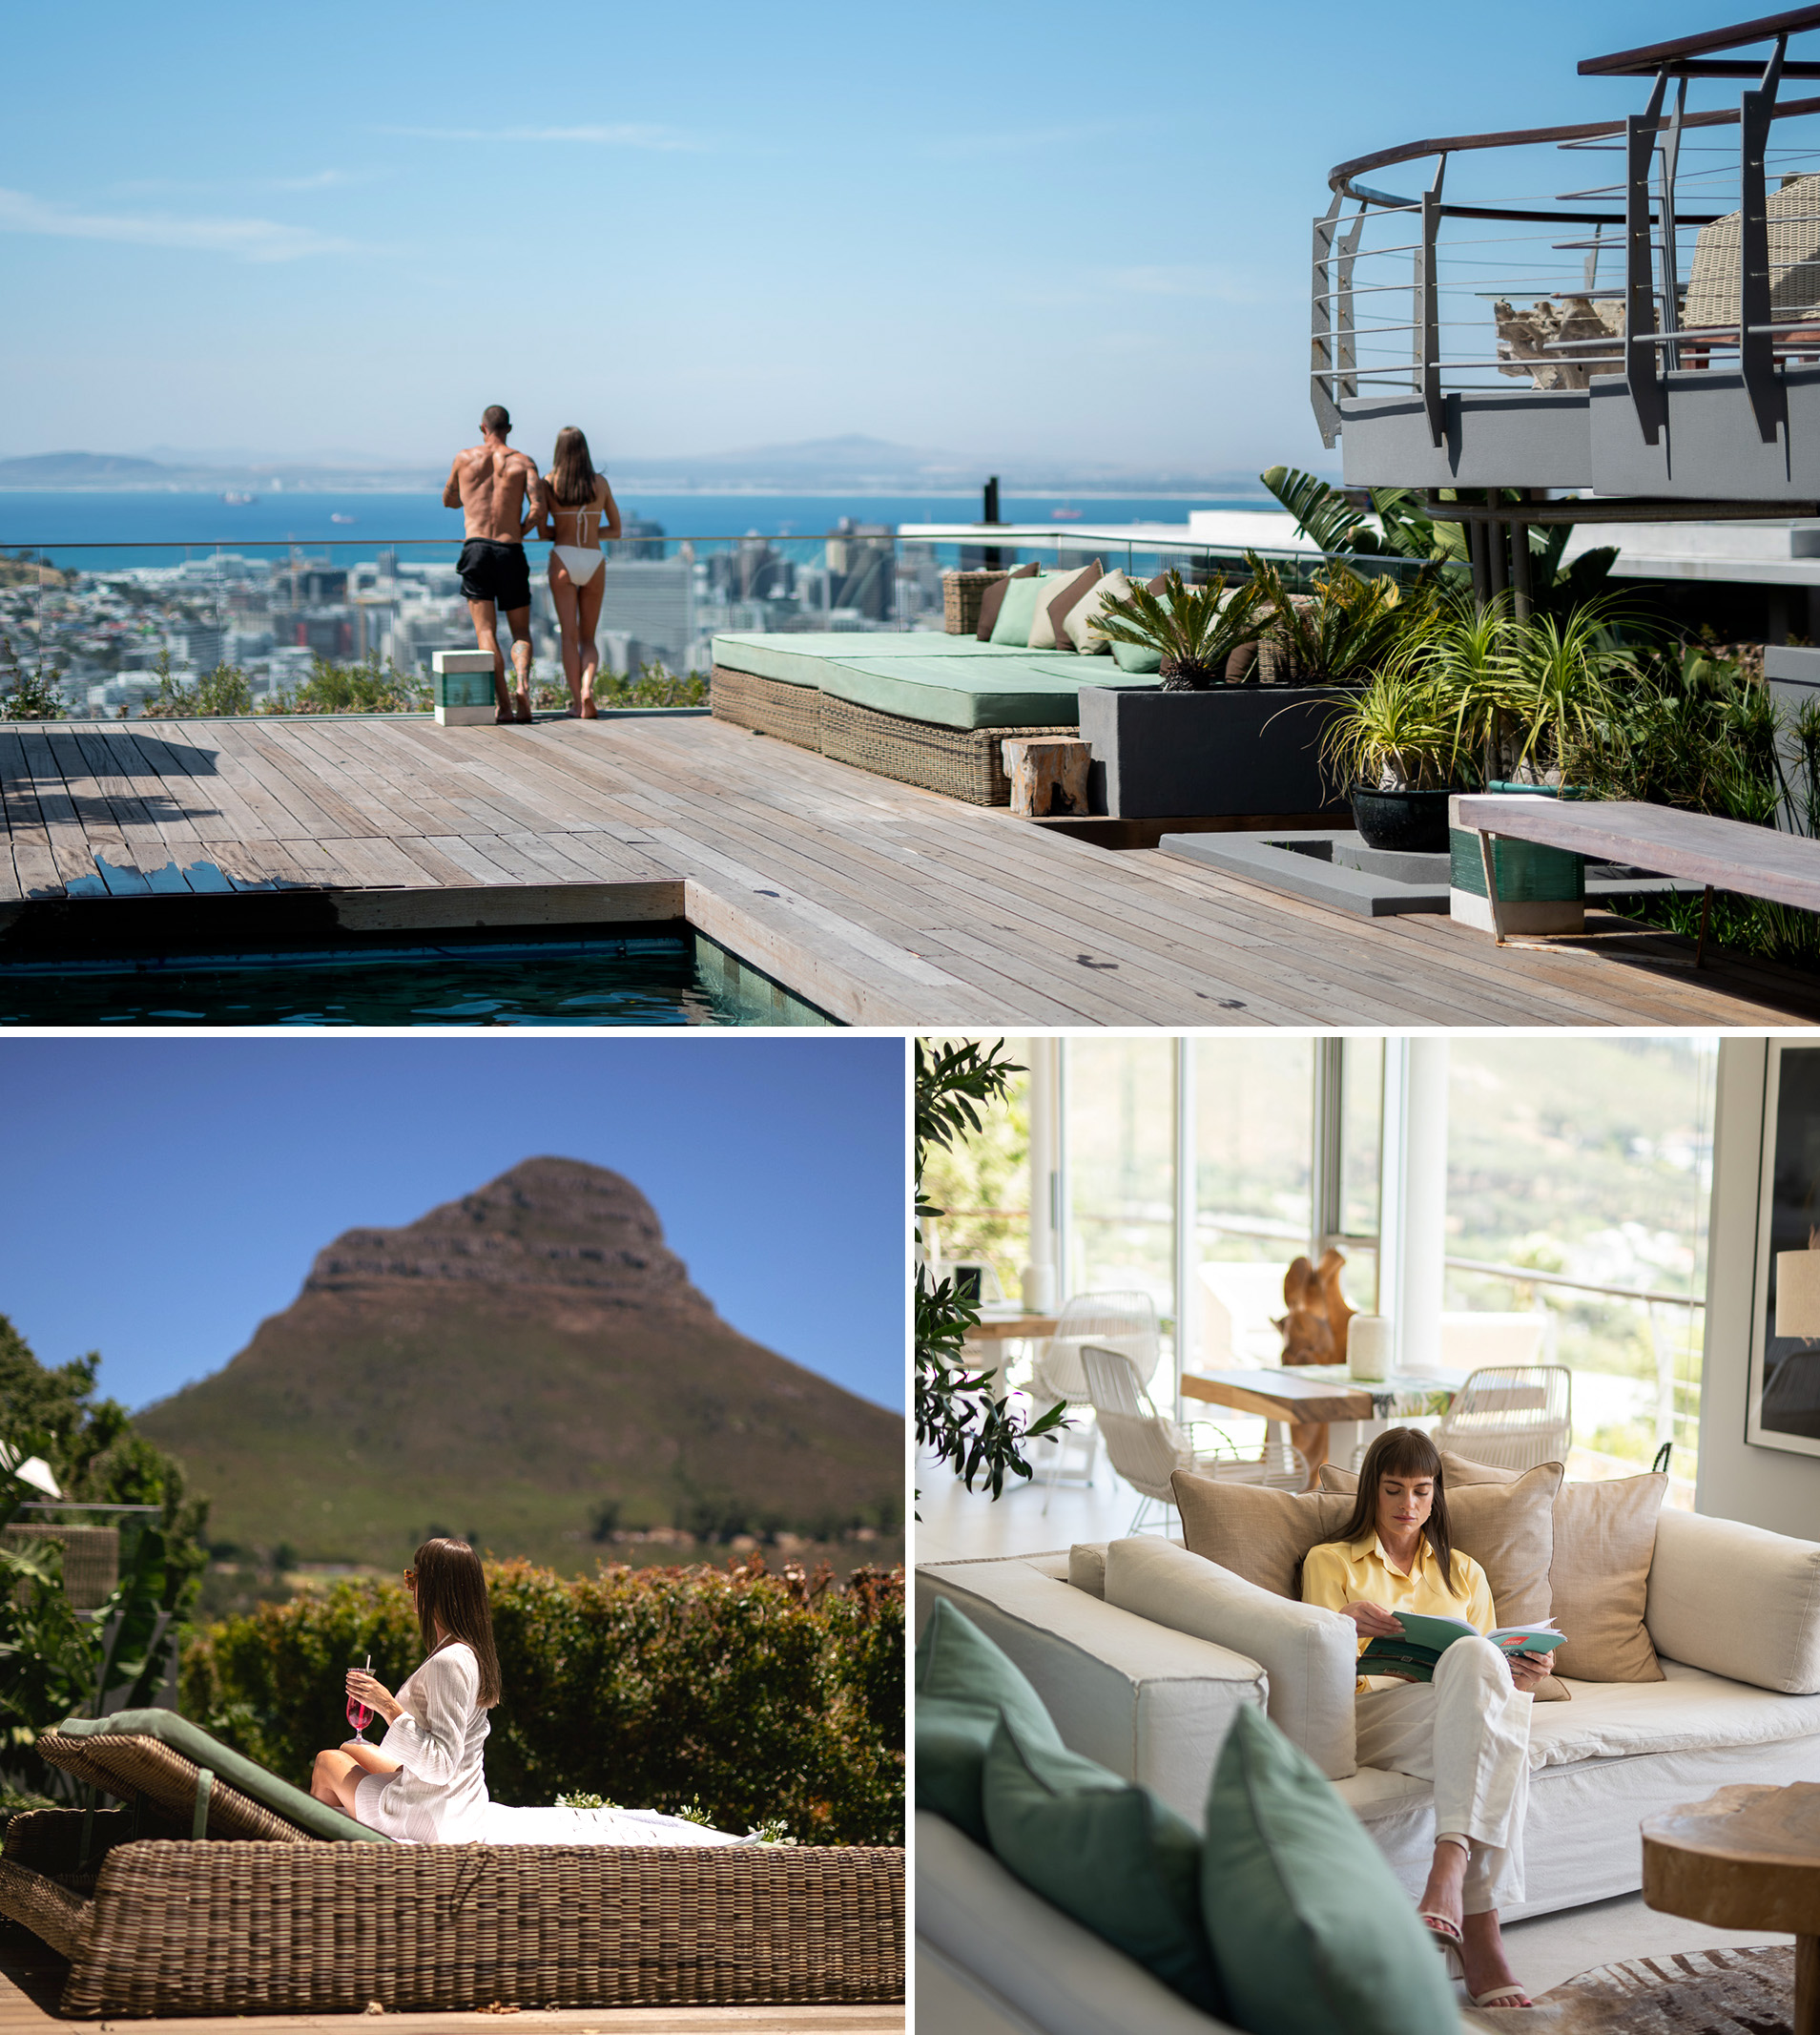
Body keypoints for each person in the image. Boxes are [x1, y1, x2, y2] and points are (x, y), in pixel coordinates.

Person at [1299, 1429, 1545, 2012]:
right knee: (1493, 1711)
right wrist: (1341, 1625)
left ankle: (1449, 1877)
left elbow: (1492, 1674)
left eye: (1420, 1490)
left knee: (1481, 1666)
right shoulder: (1329, 1561)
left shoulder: (1465, 1574)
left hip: (1449, 1715)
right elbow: (1304, 1661)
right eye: (1393, 1490)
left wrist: (1523, 1675)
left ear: (1436, 1495)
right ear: (1372, 1492)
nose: (1407, 1505)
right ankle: (1480, 1930)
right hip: (1368, 1715)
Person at [310, 1536, 740, 1846]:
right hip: (460, 1805)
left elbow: (440, 1765)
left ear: (433, 1587)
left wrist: (386, 1705)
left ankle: (328, 1862)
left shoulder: (448, 1662)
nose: (411, 1588)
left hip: (433, 1817)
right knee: (352, 1751)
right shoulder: (466, 1651)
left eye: (412, 1578)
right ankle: (348, 1832)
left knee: (329, 1762)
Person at [443, 406, 547, 726]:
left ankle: (504, 705)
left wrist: (471, 494)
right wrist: (517, 531)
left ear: (482, 427)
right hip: (510, 548)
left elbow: (449, 499)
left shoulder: (464, 458)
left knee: (485, 631)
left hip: (476, 550)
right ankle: (522, 687)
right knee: (521, 631)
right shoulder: (523, 462)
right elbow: (539, 509)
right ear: (509, 429)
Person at [537, 426, 622, 718]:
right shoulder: (600, 483)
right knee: (589, 638)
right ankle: (588, 689)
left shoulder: (549, 482)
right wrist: (589, 532)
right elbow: (616, 529)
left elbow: (542, 531)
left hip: (563, 557)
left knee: (568, 637)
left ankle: (576, 702)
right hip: (594, 559)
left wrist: (565, 528)